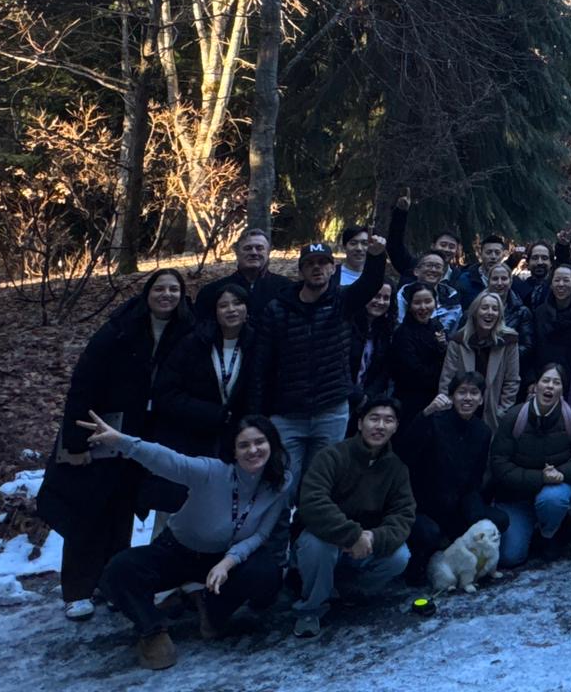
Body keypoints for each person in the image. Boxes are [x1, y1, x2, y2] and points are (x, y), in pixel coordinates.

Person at [38, 269, 194, 621]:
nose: (167, 295)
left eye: (174, 289)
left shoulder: (186, 329)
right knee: (89, 509)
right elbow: (83, 384)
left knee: (123, 508)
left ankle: (110, 583)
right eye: (160, 288)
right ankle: (78, 590)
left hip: (143, 433)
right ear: (147, 293)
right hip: (102, 426)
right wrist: (75, 441)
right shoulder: (119, 331)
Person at [87, 412, 290, 669]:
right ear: (233, 451)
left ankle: (211, 609)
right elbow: (167, 460)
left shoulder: (279, 482)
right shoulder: (212, 471)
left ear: (272, 443)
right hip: (176, 551)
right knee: (118, 571)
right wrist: (121, 441)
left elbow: (261, 534)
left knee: (266, 573)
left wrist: (227, 562)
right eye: (244, 445)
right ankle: (152, 629)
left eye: (260, 442)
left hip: (221, 557)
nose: (253, 450)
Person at [253, 238, 387, 495]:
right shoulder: (277, 309)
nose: (317, 268)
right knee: (282, 486)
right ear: (300, 271)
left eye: (323, 262)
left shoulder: (343, 302)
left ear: (333, 268)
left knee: (320, 485)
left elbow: (370, 284)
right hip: (287, 414)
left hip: (330, 411)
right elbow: (261, 365)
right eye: (310, 263)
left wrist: (377, 256)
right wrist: (257, 415)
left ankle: (309, 523)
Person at [291, 396, 415, 638]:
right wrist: (352, 535)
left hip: (365, 545)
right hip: (327, 537)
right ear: (360, 423)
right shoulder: (333, 456)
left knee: (400, 556)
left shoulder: (397, 468)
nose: (380, 426)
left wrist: (372, 537)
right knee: (317, 547)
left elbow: (403, 515)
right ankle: (310, 609)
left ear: (396, 427)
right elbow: (313, 501)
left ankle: (347, 591)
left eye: (388, 420)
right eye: (374, 419)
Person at [145, 284, 258, 519]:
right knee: (178, 516)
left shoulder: (258, 344)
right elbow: (166, 393)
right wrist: (211, 413)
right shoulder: (194, 343)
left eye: (237, 303)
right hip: (190, 439)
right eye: (223, 305)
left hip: (237, 442)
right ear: (214, 311)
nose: (231, 310)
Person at [397, 372, 509, 585]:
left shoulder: (483, 431)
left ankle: (468, 562)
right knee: (429, 532)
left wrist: (476, 516)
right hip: (425, 504)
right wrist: (426, 414)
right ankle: (418, 563)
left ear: (481, 399)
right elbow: (405, 452)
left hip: (458, 503)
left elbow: (475, 480)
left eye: (474, 393)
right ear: (451, 396)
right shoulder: (434, 421)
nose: (468, 398)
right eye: (462, 392)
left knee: (497, 520)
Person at [489, 363, 571, 567]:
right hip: (517, 496)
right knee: (510, 557)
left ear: (562, 389)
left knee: (553, 499)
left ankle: (549, 534)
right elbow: (499, 463)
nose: (550, 386)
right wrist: (540, 477)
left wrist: (562, 473)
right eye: (545, 381)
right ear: (536, 385)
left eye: (556, 383)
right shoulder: (515, 417)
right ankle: (536, 525)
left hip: (554, 489)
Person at [434, 290, 522, 430]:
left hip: (493, 413)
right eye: (485, 307)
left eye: (495, 309)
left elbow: (512, 380)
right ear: (475, 312)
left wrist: (502, 411)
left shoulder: (509, 341)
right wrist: (449, 409)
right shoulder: (458, 341)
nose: (490, 312)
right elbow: (447, 380)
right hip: (460, 411)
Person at [198, 228, 295, 319]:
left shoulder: (286, 289)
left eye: (259, 248)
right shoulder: (212, 292)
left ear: (268, 252)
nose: (254, 253)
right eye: (247, 248)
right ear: (237, 253)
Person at [389, 285, 450, 423]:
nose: (423, 307)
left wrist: (443, 347)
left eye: (428, 301)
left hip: (436, 397)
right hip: (410, 400)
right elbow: (414, 372)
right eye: (417, 303)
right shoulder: (403, 334)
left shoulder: (437, 326)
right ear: (409, 306)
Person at [535, 264, 571, 373]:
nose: (561, 284)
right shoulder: (540, 313)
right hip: (546, 375)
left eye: (566, 280)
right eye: (557, 280)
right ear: (551, 284)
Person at [487, 263, 537, 388]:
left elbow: (527, 346)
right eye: (495, 279)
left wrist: (502, 354)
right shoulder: (476, 309)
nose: (499, 283)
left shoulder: (522, 312)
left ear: (510, 282)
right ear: (488, 281)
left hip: (510, 371)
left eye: (504, 279)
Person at [348, 280, 395, 410]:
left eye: (386, 298)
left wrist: (368, 397)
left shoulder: (385, 331)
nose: (381, 302)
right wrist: (357, 396)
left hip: (367, 401)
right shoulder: (347, 325)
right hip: (341, 397)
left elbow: (384, 370)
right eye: (376, 296)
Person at [394, 250, 462, 332]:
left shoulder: (451, 295)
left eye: (438, 267)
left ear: (443, 274)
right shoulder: (405, 293)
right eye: (429, 265)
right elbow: (399, 322)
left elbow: (454, 327)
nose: (433, 270)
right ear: (416, 271)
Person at [512, 241, 552, 308]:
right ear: (528, 262)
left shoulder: (557, 289)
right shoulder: (518, 289)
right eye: (535, 258)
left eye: (544, 258)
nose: (539, 262)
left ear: (551, 263)